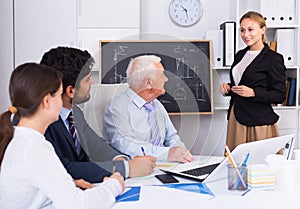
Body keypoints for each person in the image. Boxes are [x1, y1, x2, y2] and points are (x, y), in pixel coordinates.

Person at [0, 63, 124, 209]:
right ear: (47, 101)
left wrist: (69, 184)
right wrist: (114, 184)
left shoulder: (22, 139)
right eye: (59, 95)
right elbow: (79, 204)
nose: (63, 101)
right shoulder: (34, 148)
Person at [40, 47, 156, 184]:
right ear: (71, 90)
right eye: (87, 79)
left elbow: (97, 146)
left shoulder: (74, 112)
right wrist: (126, 168)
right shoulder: (42, 122)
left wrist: (119, 159)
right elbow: (64, 168)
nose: (92, 83)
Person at [103, 55, 194, 162]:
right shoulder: (117, 108)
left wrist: (182, 155)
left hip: (167, 167)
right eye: (162, 75)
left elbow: (172, 137)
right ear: (148, 83)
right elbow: (127, 145)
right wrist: (167, 154)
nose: (166, 79)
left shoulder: (157, 105)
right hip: (138, 172)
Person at [219, 11, 286, 151]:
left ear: (263, 29)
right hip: (236, 118)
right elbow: (242, 84)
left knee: (260, 167)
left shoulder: (273, 59)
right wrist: (229, 88)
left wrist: (253, 92)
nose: (245, 34)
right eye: (242, 30)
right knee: (236, 167)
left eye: (250, 29)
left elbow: (279, 95)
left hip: (258, 121)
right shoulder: (240, 55)